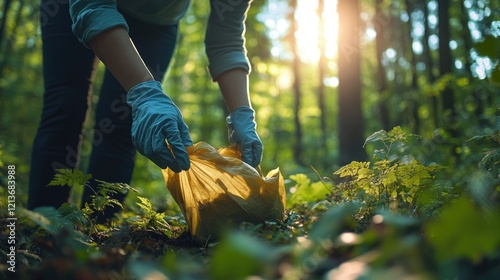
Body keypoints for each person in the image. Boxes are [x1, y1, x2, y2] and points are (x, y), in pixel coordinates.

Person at [28, 0, 263, 221]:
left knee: (121, 126)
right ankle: (43, 226)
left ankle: (97, 231)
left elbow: (227, 40)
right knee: (65, 106)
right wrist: (144, 92)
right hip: (75, 4)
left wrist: (242, 113)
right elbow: (92, 6)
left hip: (156, 24)